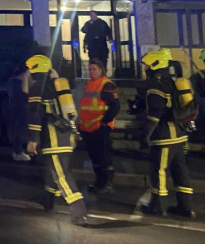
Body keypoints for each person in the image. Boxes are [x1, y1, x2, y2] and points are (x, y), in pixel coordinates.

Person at [25, 54, 88, 226]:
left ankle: (79, 211)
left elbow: (35, 114)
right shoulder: (57, 85)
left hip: (53, 139)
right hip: (65, 136)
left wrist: (33, 139)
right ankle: (48, 200)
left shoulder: (38, 87)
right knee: (52, 170)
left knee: (61, 175)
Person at [140, 48, 194, 219]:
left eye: (147, 66)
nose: (145, 69)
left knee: (159, 170)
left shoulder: (156, 87)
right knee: (180, 171)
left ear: (155, 66)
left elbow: (154, 114)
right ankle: (185, 207)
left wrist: (145, 134)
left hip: (164, 136)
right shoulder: (173, 82)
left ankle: (158, 206)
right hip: (179, 135)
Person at [78, 58, 120, 193]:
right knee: (95, 157)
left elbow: (115, 106)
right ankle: (99, 182)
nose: (91, 72)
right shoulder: (89, 84)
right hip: (88, 127)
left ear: (101, 70)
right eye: (90, 69)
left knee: (104, 157)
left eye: (94, 69)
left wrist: (104, 121)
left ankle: (106, 184)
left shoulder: (106, 85)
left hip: (100, 126)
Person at [6, 64, 31, 162]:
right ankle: (18, 152)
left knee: (18, 131)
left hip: (16, 109)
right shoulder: (17, 83)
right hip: (20, 110)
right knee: (18, 131)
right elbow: (23, 95)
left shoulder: (12, 82)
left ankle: (18, 151)